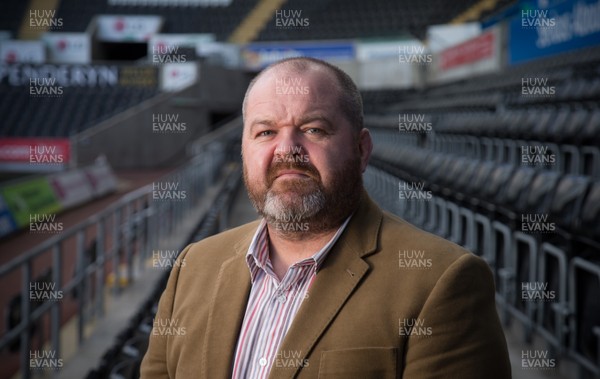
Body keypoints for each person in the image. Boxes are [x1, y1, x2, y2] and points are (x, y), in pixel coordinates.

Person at [140, 57, 512, 378]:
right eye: (265, 132)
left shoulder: (442, 281)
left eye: (313, 130)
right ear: (244, 150)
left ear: (361, 150)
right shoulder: (192, 266)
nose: (287, 150)